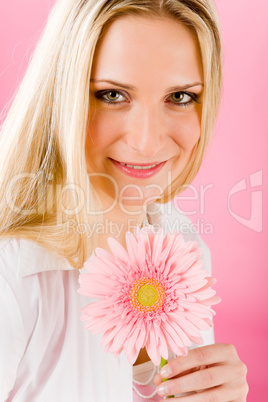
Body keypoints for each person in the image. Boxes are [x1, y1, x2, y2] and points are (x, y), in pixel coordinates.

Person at [0, 0, 249, 401]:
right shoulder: (11, 278)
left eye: (181, 97)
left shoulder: (183, 248)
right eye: (112, 94)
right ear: (61, 97)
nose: (147, 142)